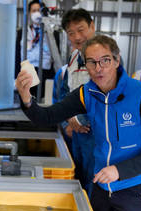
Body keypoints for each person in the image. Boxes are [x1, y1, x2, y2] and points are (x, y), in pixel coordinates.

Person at [16, 35, 141, 211]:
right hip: (100, 187)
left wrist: (120, 171)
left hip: (134, 189)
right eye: (91, 62)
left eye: (105, 60)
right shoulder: (86, 93)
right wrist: (26, 99)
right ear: (85, 65)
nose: (98, 68)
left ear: (117, 61)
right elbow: (47, 116)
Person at [52, 8, 95, 196]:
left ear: (92, 27)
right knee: (77, 184)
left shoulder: (109, 57)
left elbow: (113, 98)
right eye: (71, 33)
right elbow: (63, 98)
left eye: (81, 29)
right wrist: (67, 122)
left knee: (96, 188)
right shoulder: (72, 61)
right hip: (74, 136)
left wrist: (81, 120)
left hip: (98, 136)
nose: (77, 37)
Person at [20, 0, 54, 99]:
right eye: (33, 11)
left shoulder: (50, 31)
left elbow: (50, 53)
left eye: (38, 10)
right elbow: (25, 51)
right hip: (29, 69)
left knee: (43, 97)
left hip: (45, 69)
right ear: (29, 13)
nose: (36, 13)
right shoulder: (25, 31)